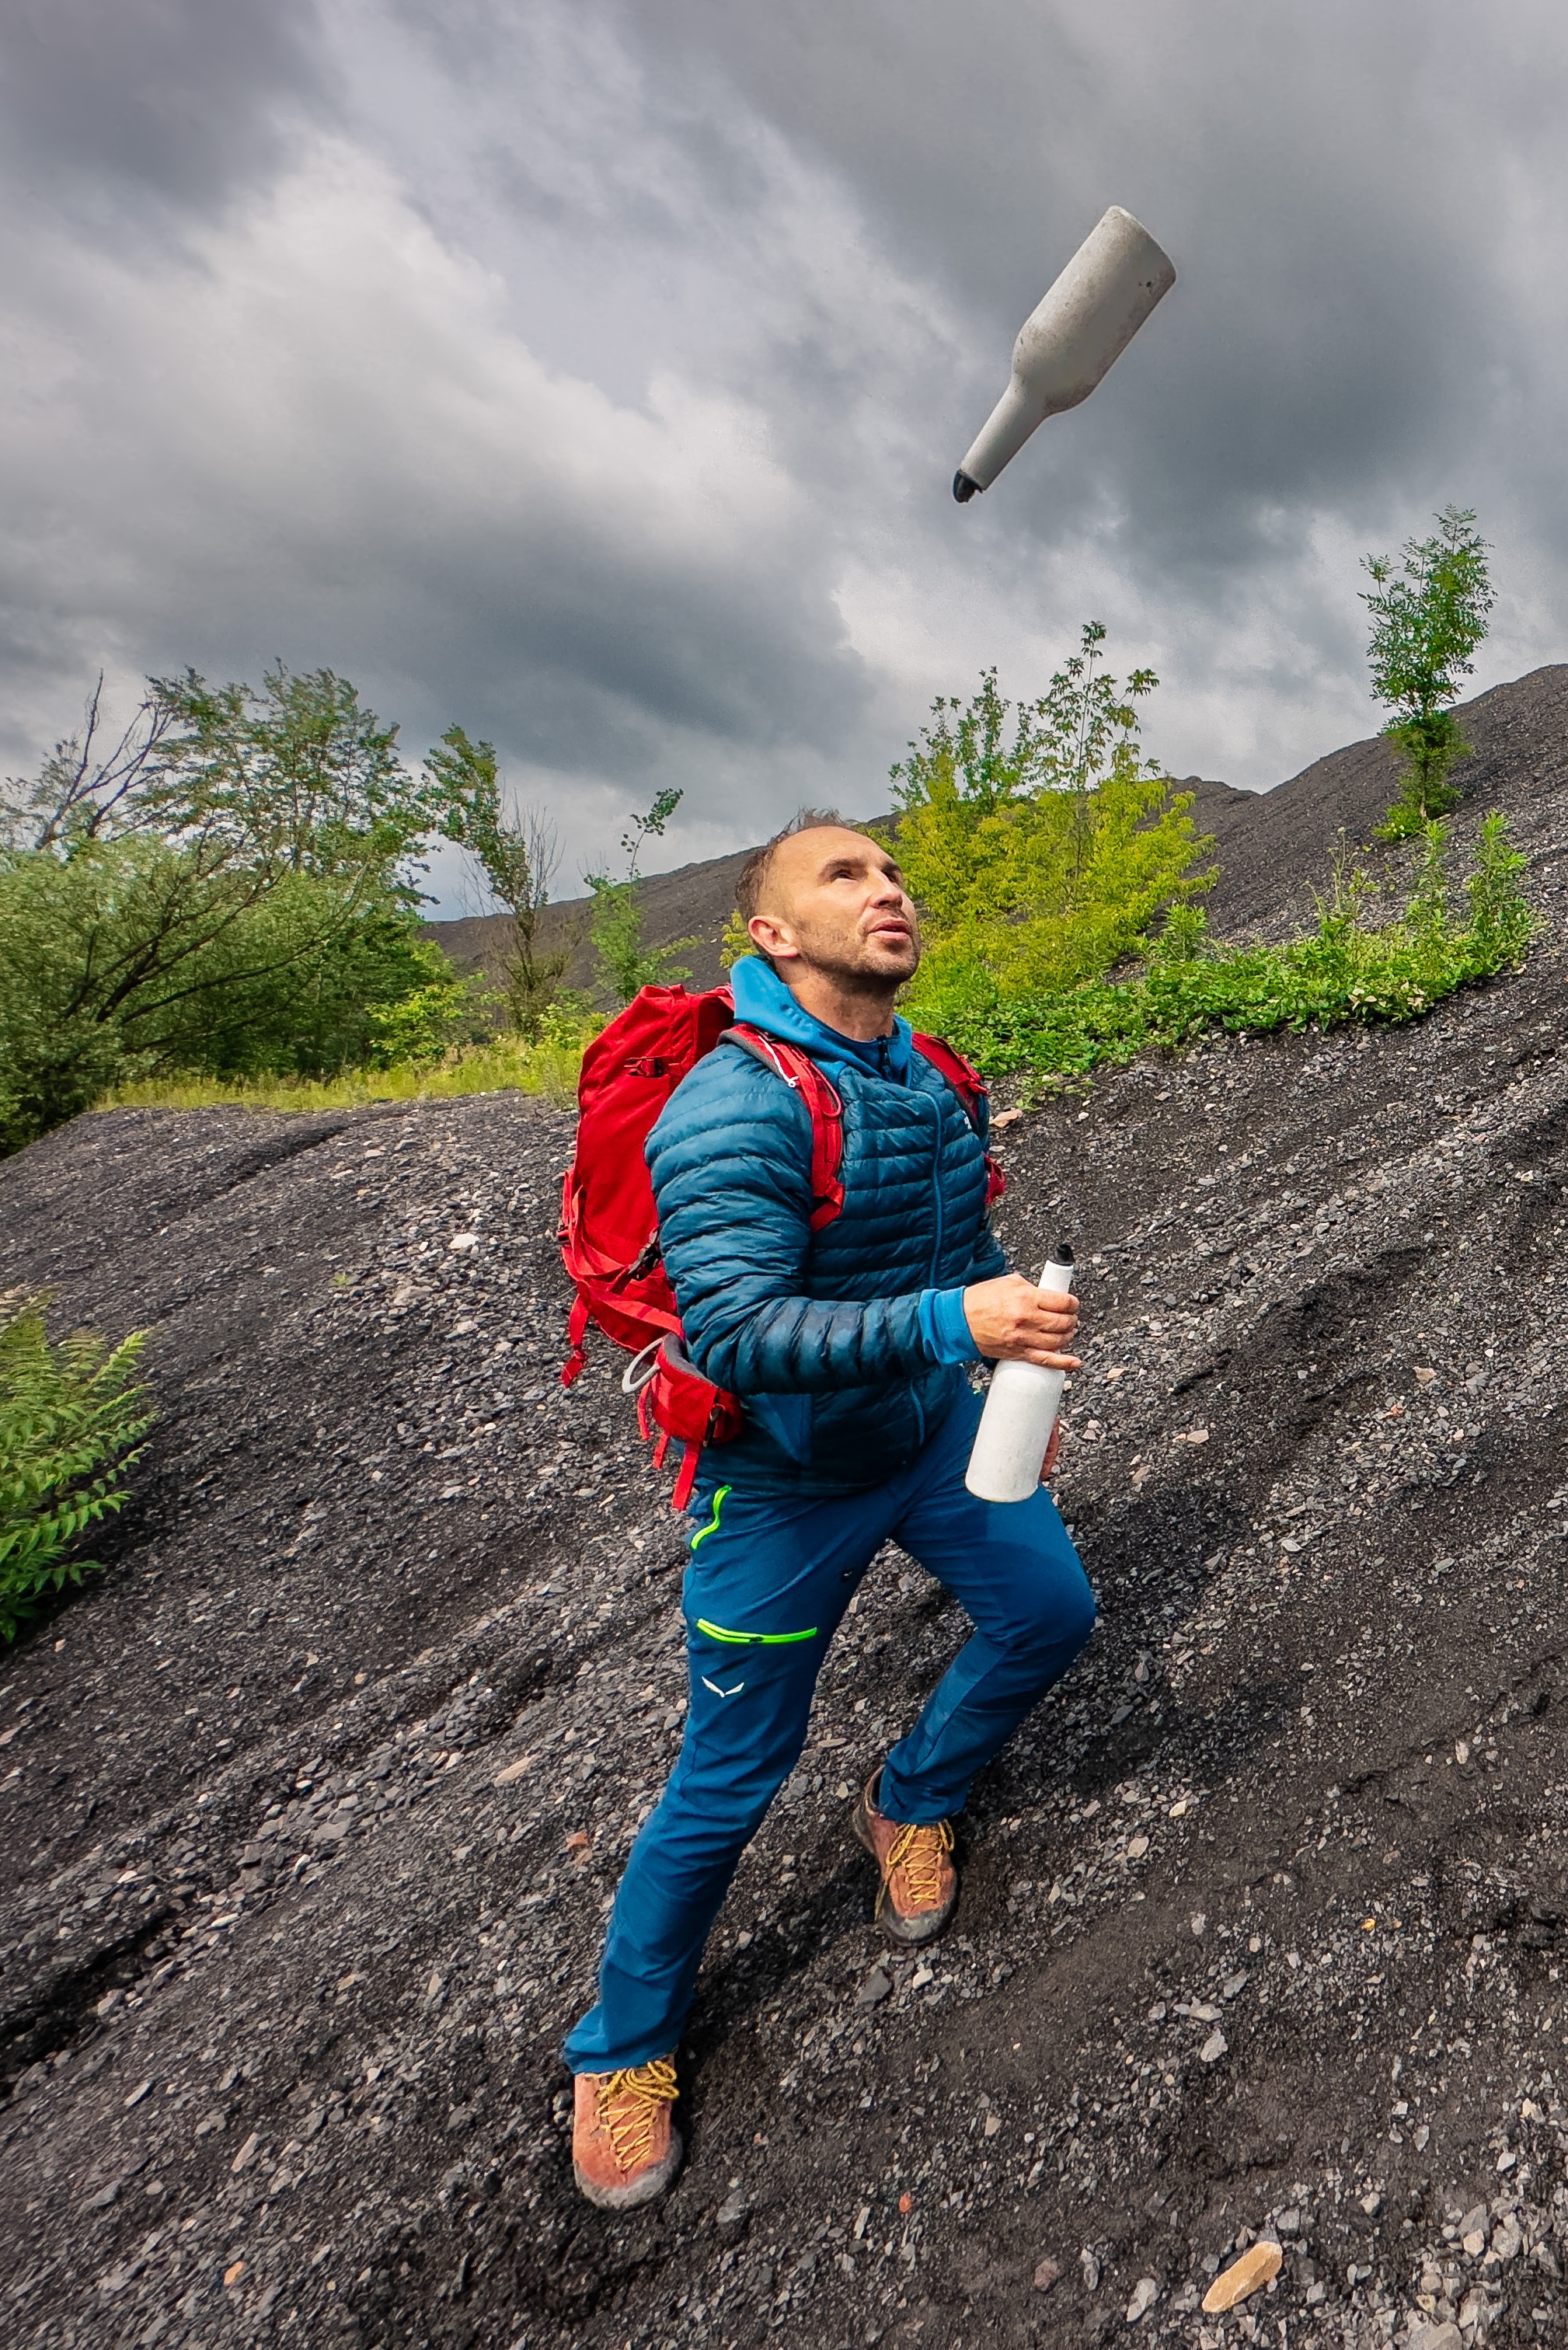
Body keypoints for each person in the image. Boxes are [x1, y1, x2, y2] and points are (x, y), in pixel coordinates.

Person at [565, 812, 1089, 2211]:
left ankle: (908, 1799)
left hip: (930, 1432)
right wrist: (948, 1316)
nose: (889, 892)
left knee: (1050, 1610)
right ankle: (622, 2047)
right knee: (731, 1773)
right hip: (781, 1484)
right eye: (844, 876)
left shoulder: (927, 1076)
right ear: (772, 935)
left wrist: (1003, 1319)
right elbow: (732, 1329)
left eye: (893, 873)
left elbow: (953, 1243)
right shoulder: (732, 1105)